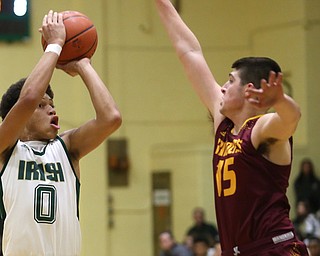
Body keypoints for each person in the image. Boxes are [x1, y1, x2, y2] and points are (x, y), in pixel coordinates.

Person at [155, 1, 309, 255]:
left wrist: (280, 100)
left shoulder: (261, 128)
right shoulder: (224, 123)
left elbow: (292, 119)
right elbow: (189, 52)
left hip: (275, 248)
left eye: (230, 80)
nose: (222, 88)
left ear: (249, 90)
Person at [0, 10, 121, 255]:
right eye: (43, 106)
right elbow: (29, 97)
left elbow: (111, 118)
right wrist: (54, 46)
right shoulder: (6, 147)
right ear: (19, 117)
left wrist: (83, 64)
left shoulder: (67, 148)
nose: (52, 111)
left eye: (53, 105)